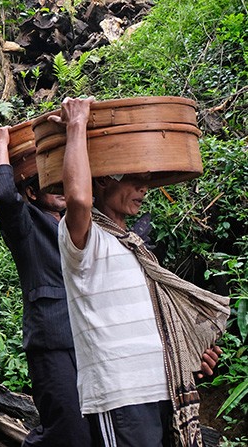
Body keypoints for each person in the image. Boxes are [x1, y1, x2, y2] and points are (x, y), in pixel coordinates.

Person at [56, 97, 230, 446]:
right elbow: (77, 199)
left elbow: (157, 325)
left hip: (163, 390)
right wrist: (77, 123)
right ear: (104, 180)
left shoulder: (134, 246)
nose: (144, 190)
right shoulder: (85, 240)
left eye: (147, 181)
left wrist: (190, 353)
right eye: (136, 180)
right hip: (120, 395)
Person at [0, 126, 91, 445]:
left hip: (89, 340)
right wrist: (1, 144)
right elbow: (3, 194)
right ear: (31, 192)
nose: (59, 186)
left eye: (62, 179)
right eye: (49, 181)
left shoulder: (81, 225)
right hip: (52, 342)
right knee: (66, 430)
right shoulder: (26, 226)